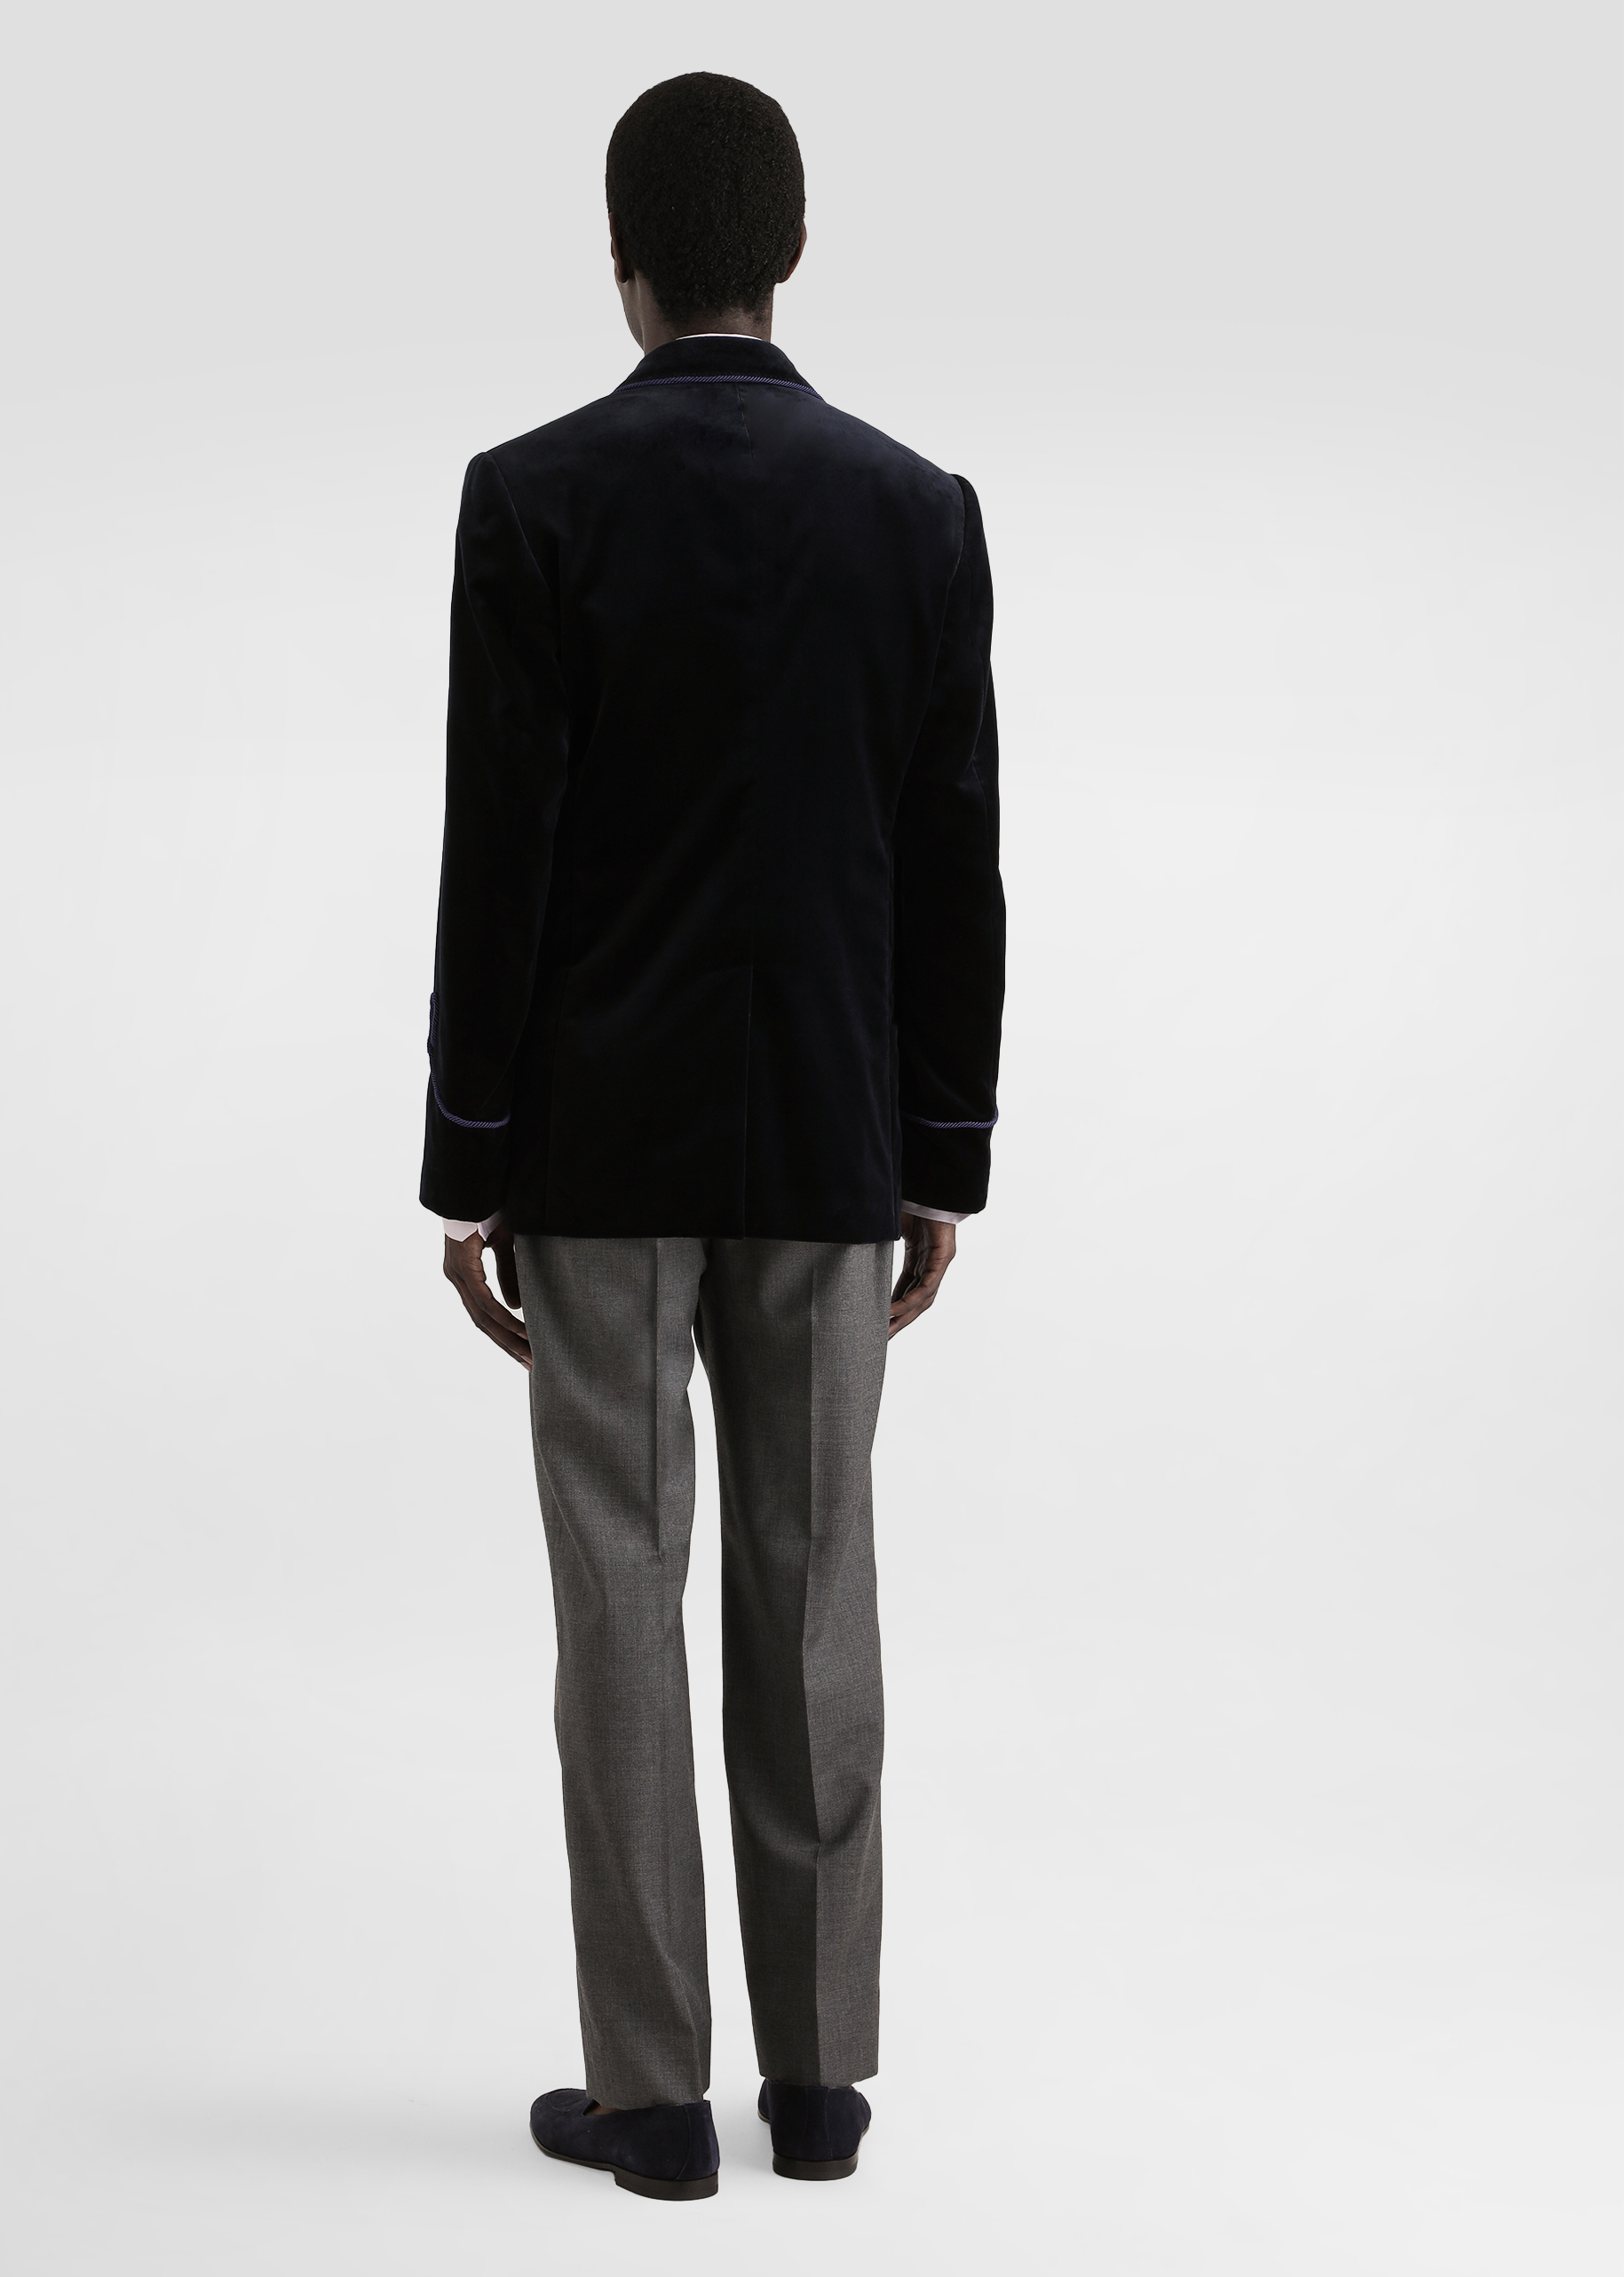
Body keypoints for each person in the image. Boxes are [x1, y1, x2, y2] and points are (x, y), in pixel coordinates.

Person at [421, 71, 1003, 2201]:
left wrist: (465, 1153)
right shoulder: (916, 509)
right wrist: (940, 1148)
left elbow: (501, 852)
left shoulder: (533, 498)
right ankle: (821, 2084)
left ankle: (652, 2099)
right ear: (793, 250)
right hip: (833, 1133)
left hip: (591, 1146)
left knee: (619, 1596)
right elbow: (952, 861)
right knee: (816, 1584)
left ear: (623, 262)